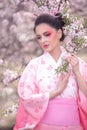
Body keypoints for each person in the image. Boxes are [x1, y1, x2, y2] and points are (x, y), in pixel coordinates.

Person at [13, 13, 87, 130]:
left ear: (59, 33)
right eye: (39, 37)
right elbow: (27, 99)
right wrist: (57, 92)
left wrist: (77, 72)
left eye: (47, 35)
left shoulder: (76, 63)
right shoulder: (34, 66)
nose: (43, 40)